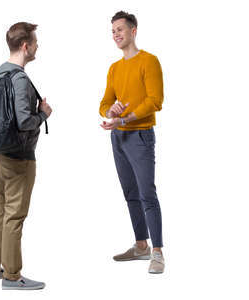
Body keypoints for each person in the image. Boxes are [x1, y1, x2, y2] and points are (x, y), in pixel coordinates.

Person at [0, 22, 52, 290]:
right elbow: (25, 122)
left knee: (0, 207)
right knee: (15, 215)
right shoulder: (19, 77)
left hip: (0, 151)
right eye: (35, 42)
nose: (37, 46)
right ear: (26, 46)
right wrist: (44, 113)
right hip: (20, 156)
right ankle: (12, 276)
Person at [99, 11, 165, 274]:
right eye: (113, 31)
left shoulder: (149, 61)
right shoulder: (114, 68)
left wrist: (125, 119)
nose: (116, 34)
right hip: (118, 137)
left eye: (120, 30)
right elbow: (104, 102)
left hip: (140, 135)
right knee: (130, 193)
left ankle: (157, 251)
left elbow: (154, 101)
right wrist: (110, 113)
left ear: (133, 30)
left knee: (147, 193)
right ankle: (141, 246)